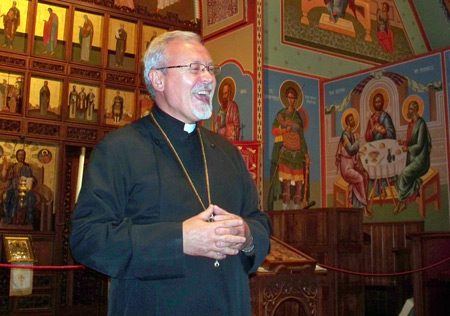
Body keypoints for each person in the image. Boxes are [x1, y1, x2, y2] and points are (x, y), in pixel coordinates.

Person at [70, 30, 271, 316]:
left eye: (210, 69)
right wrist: (180, 240)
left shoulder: (227, 152)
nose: (208, 78)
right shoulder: (119, 150)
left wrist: (247, 234)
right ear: (158, 79)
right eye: (194, 68)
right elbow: (87, 239)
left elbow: (259, 222)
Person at [268, 86, 311, 210]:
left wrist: (306, 154)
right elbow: (274, 131)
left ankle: (297, 208)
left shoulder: (297, 117)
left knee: (298, 183)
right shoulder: (281, 114)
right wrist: (284, 130)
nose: (291, 100)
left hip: (297, 152)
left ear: (296, 100)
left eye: (294, 98)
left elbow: (302, 137)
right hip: (286, 150)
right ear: (286, 98)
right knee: (286, 181)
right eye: (290, 98)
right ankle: (285, 207)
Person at [394, 100, 432, 214]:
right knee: (398, 177)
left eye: (410, 109)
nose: (408, 111)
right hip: (413, 158)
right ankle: (405, 200)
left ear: (415, 110)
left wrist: (408, 149)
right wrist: (404, 142)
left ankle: (401, 202)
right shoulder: (411, 124)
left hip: (421, 160)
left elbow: (419, 145)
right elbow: (412, 141)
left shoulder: (421, 125)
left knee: (405, 174)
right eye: (408, 109)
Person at [335, 112, 370, 217]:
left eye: (353, 119)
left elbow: (354, 153)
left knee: (365, 175)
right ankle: (364, 207)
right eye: (350, 120)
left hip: (352, 166)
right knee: (359, 178)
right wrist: (358, 142)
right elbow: (350, 150)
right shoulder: (345, 135)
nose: (353, 121)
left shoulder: (352, 135)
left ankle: (360, 203)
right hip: (346, 169)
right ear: (347, 122)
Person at [365, 92, 396, 198]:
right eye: (375, 102)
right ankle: (377, 190)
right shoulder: (371, 118)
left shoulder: (385, 117)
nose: (377, 104)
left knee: (381, 163)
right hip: (374, 149)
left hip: (385, 148)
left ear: (382, 103)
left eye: (379, 101)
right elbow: (367, 137)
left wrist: (383, 132)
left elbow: (391, 133)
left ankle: (383, 189)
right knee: (368, 164)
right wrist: (372, 130)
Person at [1, 149, 36, 225]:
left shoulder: (27, 168)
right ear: (17, 156)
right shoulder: (13, 167)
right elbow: (6, 178)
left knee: (29, 197)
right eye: (19, 154)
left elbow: (31, 179)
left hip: (24, 187)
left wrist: (31, 180)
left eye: (22, 155)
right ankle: (8, 218)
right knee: (7, 196)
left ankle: (24, 220)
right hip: (13, 187)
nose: (21, 156)